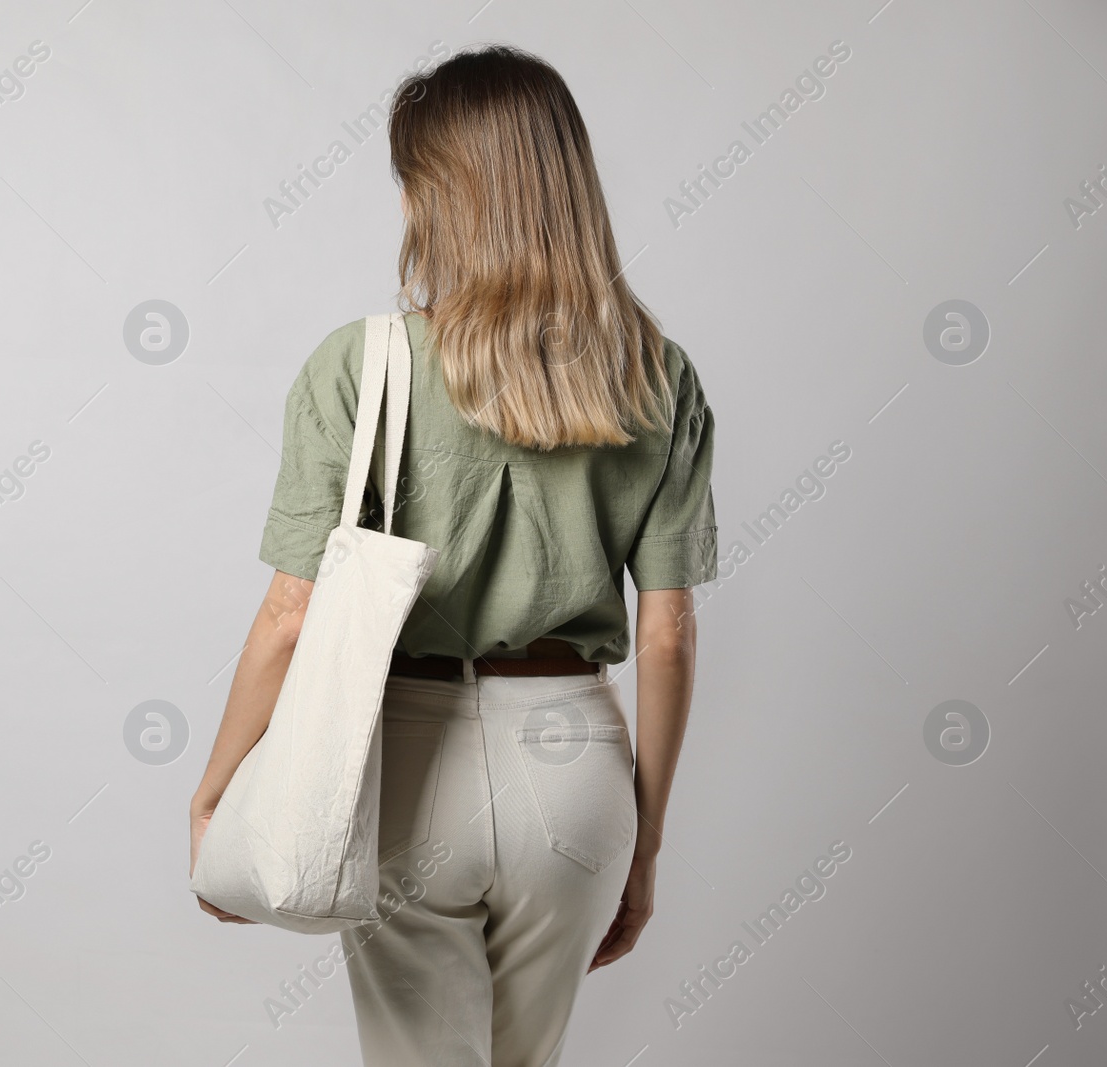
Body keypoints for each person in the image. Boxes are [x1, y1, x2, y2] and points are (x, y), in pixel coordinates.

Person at [189, 44, 716, 1067]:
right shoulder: (658, 374)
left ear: (434, 192)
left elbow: (291, 613)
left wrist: (216, 790)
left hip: (402, 762)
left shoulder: (361, 363)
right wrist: (645, 839)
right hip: (577, 766)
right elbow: (666, 632)